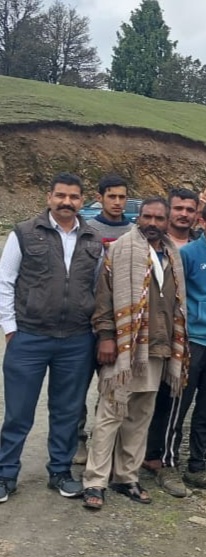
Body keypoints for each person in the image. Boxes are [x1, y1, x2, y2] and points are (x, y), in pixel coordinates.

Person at [80, 197, 188, 510]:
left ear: (167, 221)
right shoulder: (120, 249)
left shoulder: (172, 254)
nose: (152, 223)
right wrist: (107, 336)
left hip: (157, 346)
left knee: (140, 415)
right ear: (137, 217)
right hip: (126, 348)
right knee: (111, 413)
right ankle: (95, 481)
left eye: (159, 218)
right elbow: (103, 299)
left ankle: (126, 476)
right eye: (147, 216)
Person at [0, 173, 102, 504]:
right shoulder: (24, 233)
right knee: (18, 411)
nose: (66, 202)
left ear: (82, 201)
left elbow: (97, 287)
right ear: (49, 197)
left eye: (73, 197)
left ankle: (60, 471)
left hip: (75, 339)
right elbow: (5, 281)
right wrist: (10, 327)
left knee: (67, 410)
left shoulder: (92, 239)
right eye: (60, 195)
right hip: (29, 336)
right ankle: (5, 473)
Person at [151, 200, 206, 496]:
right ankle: (167, 465)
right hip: (193, 342)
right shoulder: (187, 254)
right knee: (178, 406)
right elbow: (173, 299)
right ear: (202, 221)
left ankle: (198, 466)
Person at [73, 173, 135, 466]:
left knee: (112, 387)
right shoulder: (87, 230)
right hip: (86, 323)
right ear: (100, 198)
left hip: (122, 325)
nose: (118, 202)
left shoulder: (135, 231)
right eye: (112, 196)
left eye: (122, 197)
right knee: (77, 385)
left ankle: (104, 440)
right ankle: (76, 440)